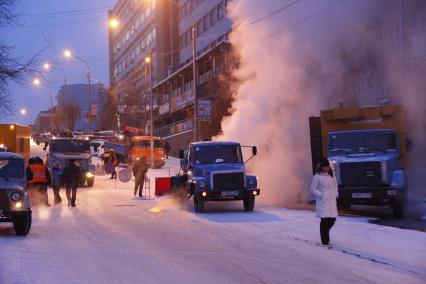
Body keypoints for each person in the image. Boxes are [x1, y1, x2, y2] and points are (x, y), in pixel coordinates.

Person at [310, 158, 338, 246]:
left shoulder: (331, 176)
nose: (326, 169)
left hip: (332, 202)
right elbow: (312, 189)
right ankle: (324, 240)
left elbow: (335, 185)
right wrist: (321, 195)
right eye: (324, 167)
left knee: (332, 220)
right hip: (323, 202)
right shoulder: (317, 177)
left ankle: (326, 235)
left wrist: (336, 194)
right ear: (321, 167)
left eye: (327, 167)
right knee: (325, 221)